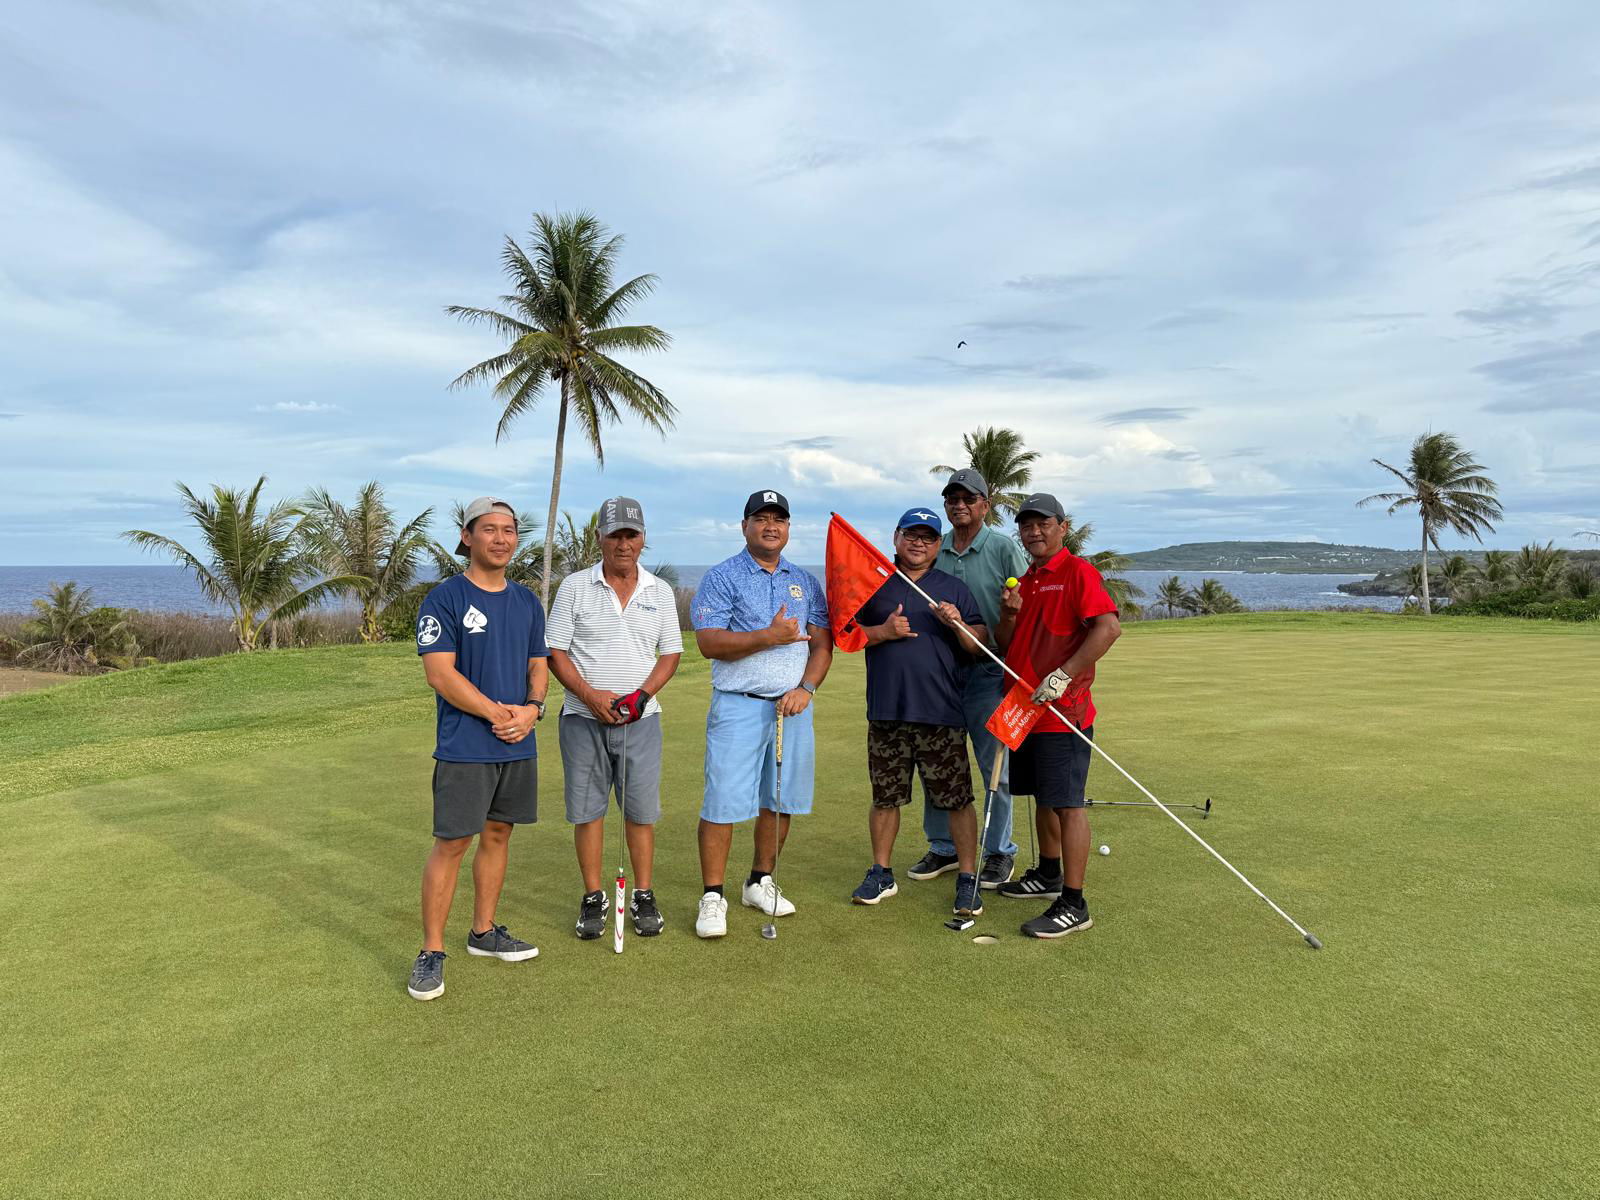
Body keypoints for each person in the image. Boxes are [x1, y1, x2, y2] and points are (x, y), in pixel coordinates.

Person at [408, 497, 550, 1000]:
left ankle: (483, 932)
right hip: (466, 745)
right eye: (489, 529)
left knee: (498, 834)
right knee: (452, 843)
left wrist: (531, 710)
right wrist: (498, 714)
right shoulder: (443, 598)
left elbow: (539, 665)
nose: (501, 539)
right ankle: (431, 951)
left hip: (518, 740)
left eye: (509, 530)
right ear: (468, 537)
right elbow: (440, 673)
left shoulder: (528, 601)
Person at [689, 489, 833, 938]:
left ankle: (759, 880)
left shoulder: (804, 581)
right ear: (745, 525)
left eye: (780, 520)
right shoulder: (722, 576)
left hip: (792, 708)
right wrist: (768, 636)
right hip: (738, 705)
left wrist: (807, 688)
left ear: (788, 528)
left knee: (780, 799)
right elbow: (709, 642)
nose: (771, 526)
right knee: (723, 802)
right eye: (761, 518)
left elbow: (822, 643)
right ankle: (713, 895)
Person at [546, 497, 683, 941]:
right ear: (599, 538)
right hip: (581, 719)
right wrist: (589, 694)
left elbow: (671, 653)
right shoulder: (574, 587)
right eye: (615, 535)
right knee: (587, 813)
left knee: (640, 812)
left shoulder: (659, 591)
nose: (623, 543)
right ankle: (593, 896)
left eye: (632, 534)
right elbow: (556, 652)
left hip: (641, 720)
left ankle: (643, 893)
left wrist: (642, 696)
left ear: (643, 539)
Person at [847, 508, 989, 918]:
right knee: (885, 798)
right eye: (912, 535)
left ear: (938, 545)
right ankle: (881, 872)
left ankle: (967, 877)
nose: (918, 543)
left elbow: (977, 644)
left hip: (940, 712)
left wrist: (959, 623)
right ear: (896, 537)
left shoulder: (952, 588)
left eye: (928, 538)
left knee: (957, 799)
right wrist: (882, 633)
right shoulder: (874, 585)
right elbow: (846, 636)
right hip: (888, 711)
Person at [994, 492, 1121, 939]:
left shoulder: (1076, 572)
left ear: (1062, 527)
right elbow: (1009, 645)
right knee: (1043, 798)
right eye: (1026, 525)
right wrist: (1008, 616)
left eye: (1043, 523)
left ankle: (1073, 902)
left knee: (1068, 804)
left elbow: (1108, 627)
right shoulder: (1025, 581)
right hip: (1025, 710)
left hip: (1063, 712)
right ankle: (1047, 874)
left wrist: (1064, 675)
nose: (1034, 531)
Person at [910, 467, 1032, 890]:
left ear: (985, 505)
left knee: (994, 766)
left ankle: (999, 852)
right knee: (939, 763)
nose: (958, 505)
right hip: (940, 673)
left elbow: (1023, 606)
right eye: (952, 499)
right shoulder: (935, 547)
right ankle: (943, 846)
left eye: (968, 499)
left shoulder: (1000, 547)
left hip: (990, 670)